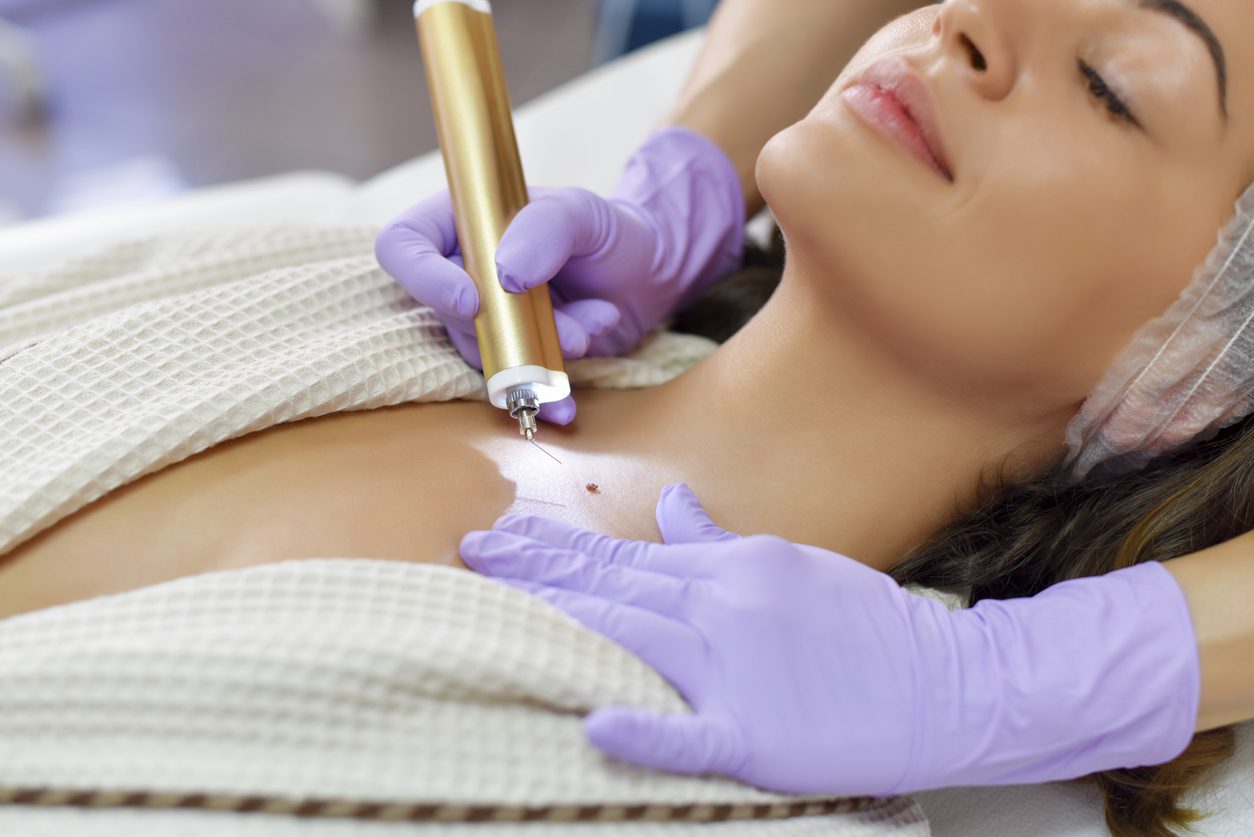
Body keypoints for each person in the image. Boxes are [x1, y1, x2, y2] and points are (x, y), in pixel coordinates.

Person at [374, 0, 1254, 834]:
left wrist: (1005, 681)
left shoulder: (696, 787)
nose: (969, 17)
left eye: (1110, 85)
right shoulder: (403, 307)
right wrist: (692, 167)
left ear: (1199, 370)